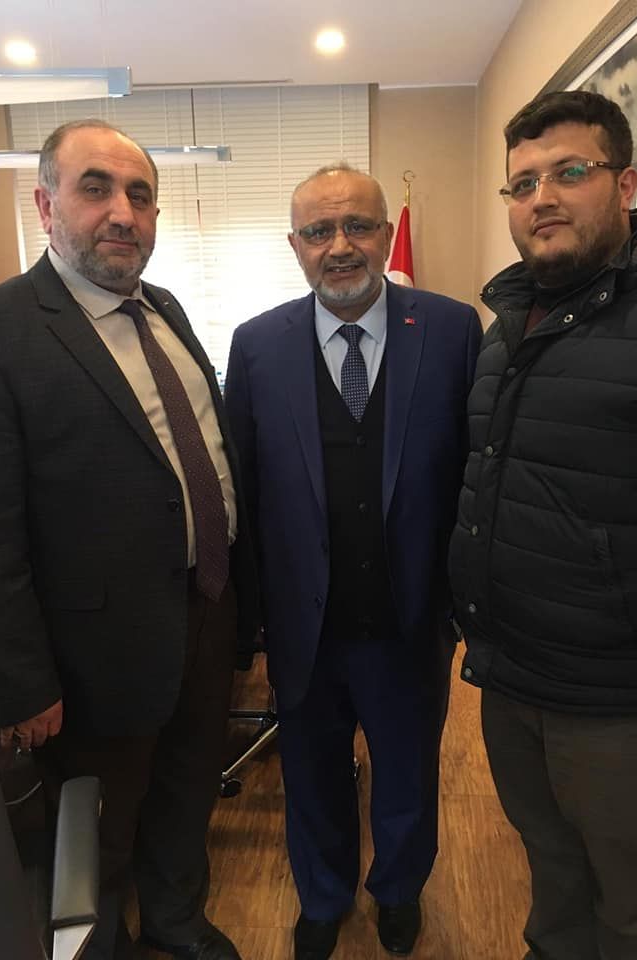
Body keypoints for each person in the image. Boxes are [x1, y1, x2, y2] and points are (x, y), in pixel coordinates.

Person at [0, 119, 257, 960]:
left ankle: (176, 921)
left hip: (205, 610)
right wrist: (20, 684)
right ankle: (105, 949)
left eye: (140, 195)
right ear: (46, 205)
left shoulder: (165, 310)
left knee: (188, 789)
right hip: (88, 655)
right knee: (99, 827)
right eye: (96, 188)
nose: (123, 212)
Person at [449, 90, 637, 960]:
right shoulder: (509, 322)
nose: (541, 198)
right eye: (522, 184)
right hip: (515, 682)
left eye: (568, 172)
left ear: (624, 183)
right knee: (552, 873)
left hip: (626, 711)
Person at [225, 164, 481, 960]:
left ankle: (399, 890)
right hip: (304, 623)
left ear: (386, 234)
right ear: (294, 245)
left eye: (358, 226)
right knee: (312, 774)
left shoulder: (451, 330)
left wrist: (461, 606)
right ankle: (324, 896)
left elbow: (475, 473)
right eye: (318, 231)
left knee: (408, 769)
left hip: (411, 616)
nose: (339, 246)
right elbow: (244, 491)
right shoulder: (256, 345)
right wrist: (251, 620)